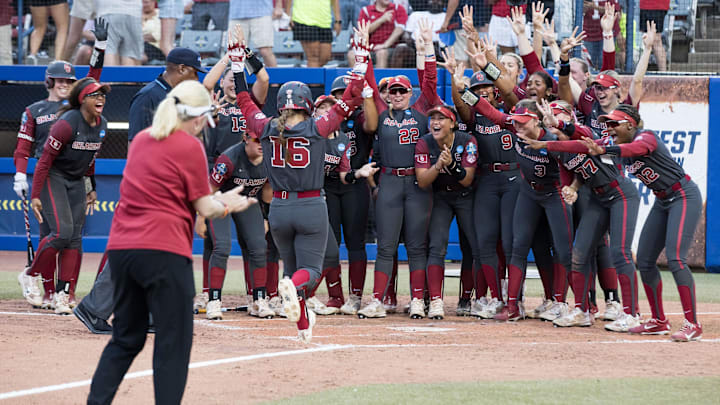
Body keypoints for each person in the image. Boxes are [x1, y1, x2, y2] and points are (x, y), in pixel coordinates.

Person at [86, 80, 254, 404]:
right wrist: (231, 203)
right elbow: (204, 207)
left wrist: (219, 197)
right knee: (173, 343)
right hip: (163, 251)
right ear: (195, 116)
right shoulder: (190, 146)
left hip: (122, 251)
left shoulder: (142, 141)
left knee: (126, 338)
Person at [230, 25, 364, 341]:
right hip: (311, 205)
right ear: (306, 103)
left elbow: (243, 99)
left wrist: (238, 63)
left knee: (293, 274)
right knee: (311, 272)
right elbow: (352, 97)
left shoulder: (263, 127)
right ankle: (290, 291)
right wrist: (361, 60)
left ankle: (303, 327)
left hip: (278, 207)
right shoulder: (318, 127)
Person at [576, 105, 703, 341]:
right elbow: (580, 144)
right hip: (662, 200)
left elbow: (637, 148)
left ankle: (692, 323)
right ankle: (658, 320)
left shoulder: (646, 137)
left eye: (615, 123)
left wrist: (606, 148)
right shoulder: (613, 144)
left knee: (676, 258)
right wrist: (552, 136)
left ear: (630, 125)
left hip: (684, 195)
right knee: (644, 260)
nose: (610, 127)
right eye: (608, 123)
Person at [15, 19, 108, 311]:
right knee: (56, 234)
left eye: (69, 81)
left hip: (76, 177)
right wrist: (20, 176)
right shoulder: (36, 111)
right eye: (60, 80)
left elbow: (93, 80)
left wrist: (100, 48)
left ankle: (64, 294)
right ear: (50, 82)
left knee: (72, 237)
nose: (65, 84)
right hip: (49, 175)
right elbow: (25, 148)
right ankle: (41, 287)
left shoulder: (82, 109)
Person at [523, 99, 640, 329]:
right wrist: (572, 188)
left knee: (620, 252)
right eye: (550, 117)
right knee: (579, 253)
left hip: (619, 194)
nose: (554, 122)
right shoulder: (556, 147)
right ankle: (582, 310)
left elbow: (577, 142)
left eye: (558, 116)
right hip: (597, 197)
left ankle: (631, 313)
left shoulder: (585, 133)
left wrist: (554, 126)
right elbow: (571, 173)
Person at [356, 19, 443, 319]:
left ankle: (418, 299)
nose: (396, 96)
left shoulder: (421, 111)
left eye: (401, 91)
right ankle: (378, 299)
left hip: (418, 184)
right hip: (391, 182)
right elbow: (368, 84)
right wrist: (364, 51)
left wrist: (428, 47)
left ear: (410, 93)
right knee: (386, 246)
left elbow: (430, 82)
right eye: (392, 92)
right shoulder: (381, 114)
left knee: (417, 245)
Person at [320, 74, 378, 316]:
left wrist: (366, 97)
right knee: (329, 244)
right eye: (340, 92)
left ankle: (355, 296)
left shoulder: (360, 116)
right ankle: (335, 297)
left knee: (356, 242)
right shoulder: (324, 119)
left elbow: (372, 126)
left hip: (355, 183)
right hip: (326, 185)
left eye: (348, 90)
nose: (344, 95)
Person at [414, 105, 478, 319]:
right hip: (440, 196)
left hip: (465, 196)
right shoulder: (424, 141)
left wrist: (452, 166)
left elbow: (467, 179)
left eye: (441, 118)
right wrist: (439, 165)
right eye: (432, 118)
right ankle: (435, 300)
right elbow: (423, 181)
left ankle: (467, 298)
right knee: (437, 246)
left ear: (453, 123)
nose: (435, 122)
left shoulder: (467, 141)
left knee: (473, 246)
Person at [128, 47, 208, 142]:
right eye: (194, 72)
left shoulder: (180, 95)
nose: (197, 78)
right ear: (181, 69)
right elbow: (135, 143)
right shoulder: (147, 96)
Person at [286, 0, 341, 68]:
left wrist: (338, 20)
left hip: (325, 21)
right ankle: (314, 77)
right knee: (313, 57)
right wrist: (288, 16)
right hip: (303, 19)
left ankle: (309, 75)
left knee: (326, 57)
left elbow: (335, 1)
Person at [228, 0, 279, 67]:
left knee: (265, 51)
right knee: (237, 53)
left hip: (262, 11)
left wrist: (278, 6)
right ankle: (239, 77)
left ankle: (274, 76)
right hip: (236, 12)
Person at [358, 0, 409, 68]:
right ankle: (357, 78)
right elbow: (363, 31)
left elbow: (399, 29)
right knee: (352, 54)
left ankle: (380, 79)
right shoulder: (366, 10)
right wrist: (381, 19)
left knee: (381, 53)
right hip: (369, 48)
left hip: (391, 48)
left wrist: (385, 45)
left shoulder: (398, 8)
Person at [95, 0, 143, 65]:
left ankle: (109, 75)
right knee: (129, 54)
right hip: (133, 11)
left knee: (108, 51)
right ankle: (128, 75)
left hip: (107, 10)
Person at [639, 0, 668, 71]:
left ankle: (664, 75)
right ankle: (641, 72)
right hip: (645, 5)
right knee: (646, 38)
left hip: (656, 6)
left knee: (656, 40)